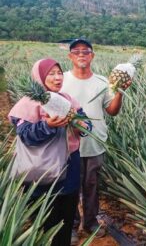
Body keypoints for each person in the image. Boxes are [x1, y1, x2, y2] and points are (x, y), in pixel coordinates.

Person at [8, 58, 91, 246]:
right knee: (42, 221)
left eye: (59, 73)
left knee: (65, 218)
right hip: (39, 172)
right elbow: (25, 135)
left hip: (68, 168)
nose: (57, 78)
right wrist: (47, 125)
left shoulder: (68, 101)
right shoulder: (27, 104)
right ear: (40, 77)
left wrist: (82, 125)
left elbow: (86, 126)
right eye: (51, 74)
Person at [60, 38, 131, 240]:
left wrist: (120, 93)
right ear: (70, 56)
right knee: (70, 187)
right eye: (76, 51)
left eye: (86, 51)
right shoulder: (62, 80)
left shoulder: (103, 82)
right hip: (68, 145)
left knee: (91, 186)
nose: (81, 54)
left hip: (95, 143)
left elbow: (112, 111)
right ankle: (71, 226)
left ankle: (90, 223)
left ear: (92, 55)